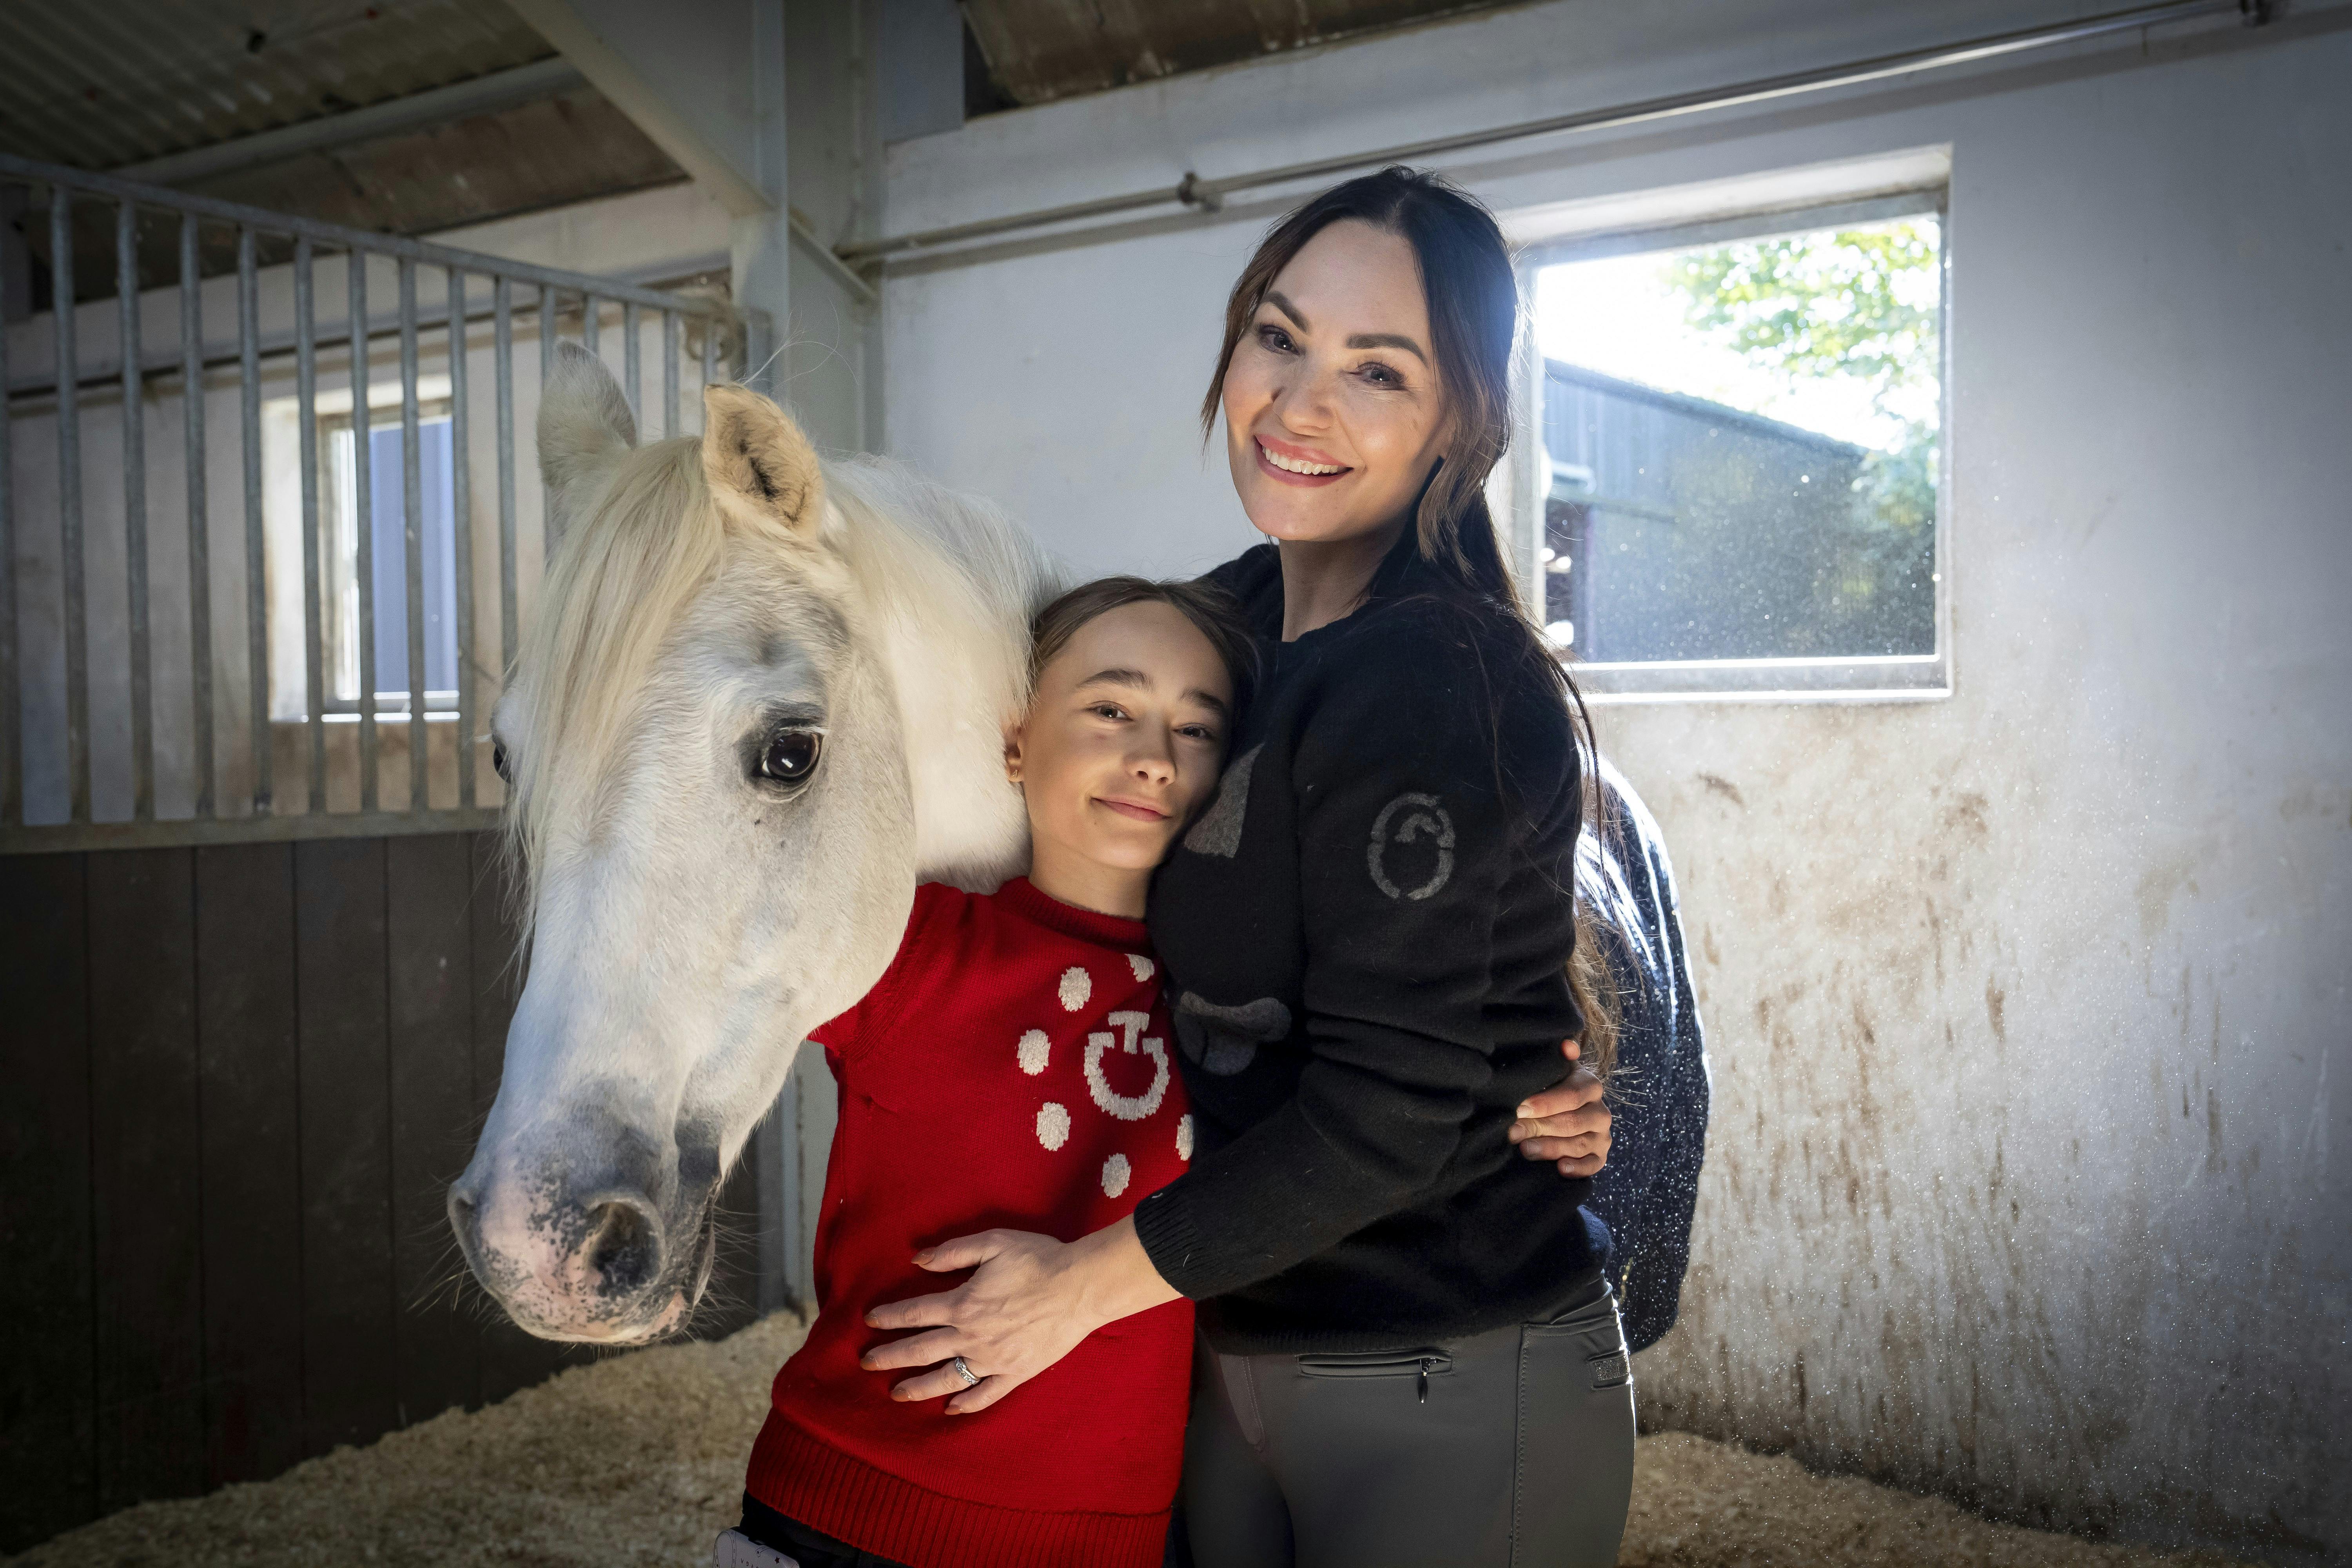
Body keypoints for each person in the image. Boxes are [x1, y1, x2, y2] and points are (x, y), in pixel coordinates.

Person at [859, 167, 1633, 1566]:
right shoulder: (1221, 626)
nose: (1299, 404)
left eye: (1378, 370)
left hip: (1443, 1366)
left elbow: (1397, 1112)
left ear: (1463, 422)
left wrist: (1072, 1295)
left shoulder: (1433, 671)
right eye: (1279, 337)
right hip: (1221, 1351)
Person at [724, 578, 1255, 1568]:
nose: (1152, 756)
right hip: (836, 1506)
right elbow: (702, 937)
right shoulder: (910, 943)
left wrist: (1537, 1099)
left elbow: (1382, 1109)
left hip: (1102, 1540)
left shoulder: (1244, 1004)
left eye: (1196, 729)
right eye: (1110, 707)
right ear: (1016, 741)